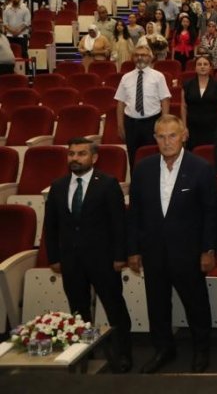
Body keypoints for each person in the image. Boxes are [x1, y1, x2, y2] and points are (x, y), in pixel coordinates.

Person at [126, 115, 217, 374]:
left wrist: (207, 249)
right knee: (157, 305)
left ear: (184, 135)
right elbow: (135, 213)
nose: (167, 141)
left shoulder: (201, 168)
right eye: (161, 136)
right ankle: (163, 349)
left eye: (172, 135)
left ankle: (201, 350)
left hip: (189, 252)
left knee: (196, 304)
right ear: (155, 139)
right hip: (153, 252)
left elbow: (211, 212)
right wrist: (132, 249)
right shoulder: (143, 168)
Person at [44, 138, 132, 372]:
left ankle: (123, 354)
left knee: (115, 308)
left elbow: (119, 224)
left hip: (103, 260)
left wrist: (120, 255)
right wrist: (53, 257)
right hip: (71, 262)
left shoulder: (107, 183)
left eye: (81, 154)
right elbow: (50, 225)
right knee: (78, 311)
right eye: (71, 154)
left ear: (94, 158)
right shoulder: (58, 185)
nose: (75, 158)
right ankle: (85, 352)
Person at [115, 44, 171, 169]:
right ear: (132, 58)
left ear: (150, 58)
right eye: (137, 55)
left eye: (143, 55)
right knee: (133, 158)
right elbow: (120, 102)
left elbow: (165, 100)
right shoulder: (125, 77)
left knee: (153, 158)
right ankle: (136, 185)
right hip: (131, 123)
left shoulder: (158, 76)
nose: (140, 58)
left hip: (152, 123)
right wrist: (120, 125)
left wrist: (164, 124)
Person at [181, 55, 217, 149]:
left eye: (205, 64)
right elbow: (184, 107)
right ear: (195, 68)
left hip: (212, 128)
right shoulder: (187, 85)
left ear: (210, 67)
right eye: (199, 64)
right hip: (192, 128)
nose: (202, 66)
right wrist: (184, 127)